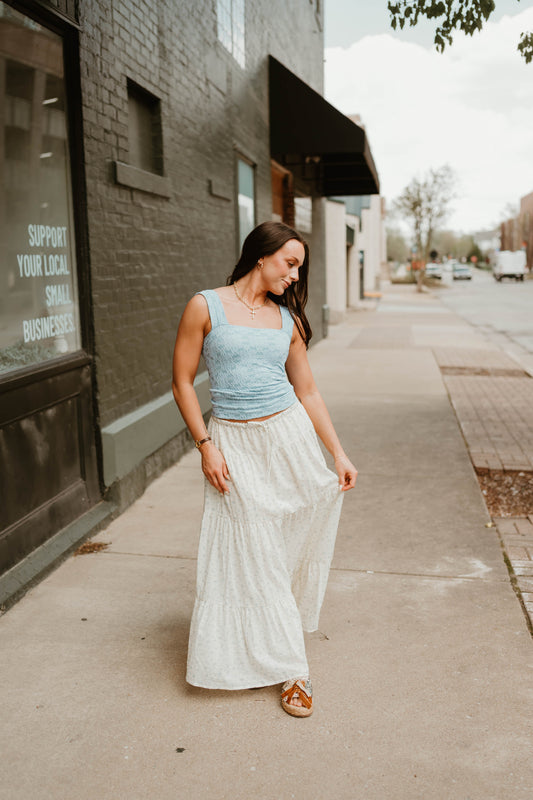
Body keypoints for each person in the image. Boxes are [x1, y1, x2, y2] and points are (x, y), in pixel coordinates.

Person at [171, 221, 357, 718]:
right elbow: (183, 382)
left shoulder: (287, 321)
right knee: (251, 549)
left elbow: (308, 392)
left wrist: (337, 452)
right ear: (262, 255)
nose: (295, 276)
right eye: (290, 263)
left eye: (300, 268)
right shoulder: (205, 306)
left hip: (288, 440)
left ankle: (292, 666)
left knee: (277, 549)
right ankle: (279, 661)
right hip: (233, 443)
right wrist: (205, 445)